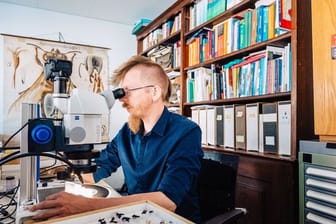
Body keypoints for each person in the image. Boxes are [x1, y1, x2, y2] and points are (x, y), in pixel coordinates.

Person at [30, 55, 203, 222]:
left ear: (154, 92)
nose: (122, 99)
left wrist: (88, 205)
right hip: (137, 215)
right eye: (121, 93)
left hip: (171, 219)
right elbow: (100, 167)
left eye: (127, 91)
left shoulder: (186, 132)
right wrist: (71, 163)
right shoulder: (128, 131)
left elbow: (168, 201)